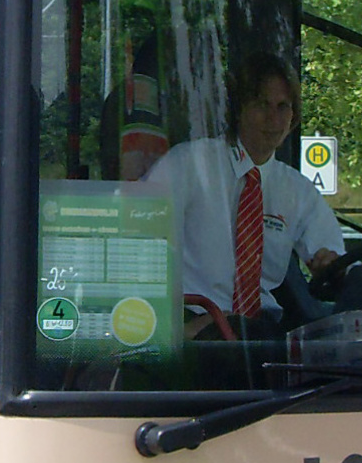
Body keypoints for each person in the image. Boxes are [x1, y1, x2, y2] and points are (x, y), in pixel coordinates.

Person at [139, 52, 341, 334]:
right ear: (238, 108)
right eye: (262, 104)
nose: (273, 118)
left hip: (260, 334)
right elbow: (138, 239)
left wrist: (328, 264)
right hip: (190, 325)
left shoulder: (298, 191)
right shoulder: (189, 164)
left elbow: (333, 260)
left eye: (283, 107)